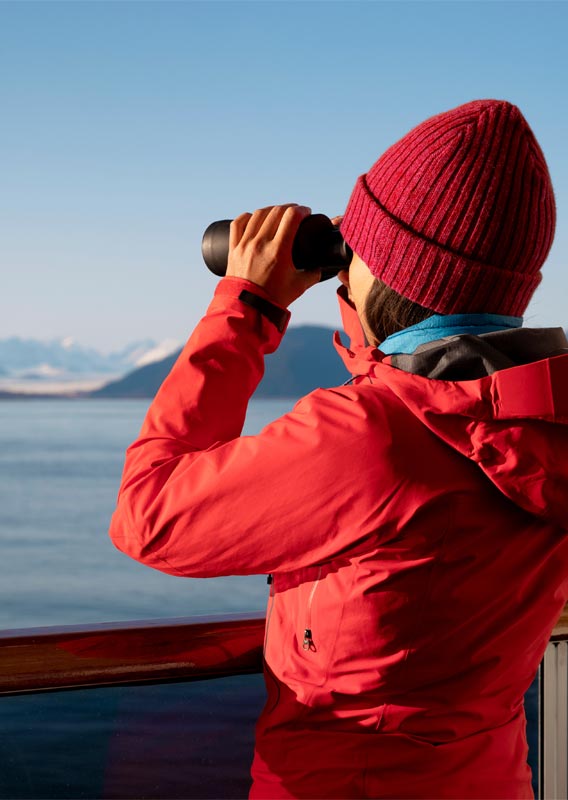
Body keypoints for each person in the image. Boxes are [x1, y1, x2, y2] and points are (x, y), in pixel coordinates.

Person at [109, 99, 568, 799]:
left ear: (386, 272)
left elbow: (149, 517)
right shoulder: (546, 428)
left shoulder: (373, 437)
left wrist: (247, 307)